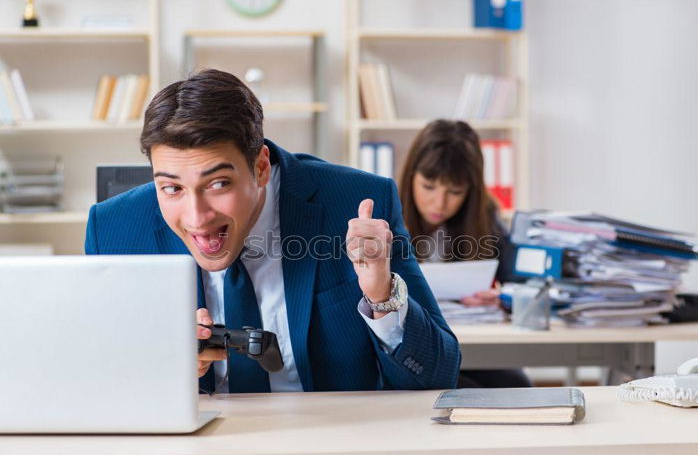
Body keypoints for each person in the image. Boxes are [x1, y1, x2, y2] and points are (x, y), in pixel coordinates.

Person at [84, 69, 460, 394]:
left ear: (261, 167)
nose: (196, 217)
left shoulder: (356, 205)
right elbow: (91, 382)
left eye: (218, 184)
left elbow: (437, 378)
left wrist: (381, 297)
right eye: (172, 188)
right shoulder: (114, 229)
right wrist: (157, 368)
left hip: (330, 448)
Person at [398, 119, 532, 389]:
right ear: (412, 175)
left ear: (470, 190)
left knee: (517, 386)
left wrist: (501, 296)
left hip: (468, 344)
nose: (440, 203)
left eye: (455, 192)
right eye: (428, 186)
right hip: (409, 348)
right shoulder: (386, 216)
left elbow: (520, 282)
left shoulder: (486, 218)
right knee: (467, 390)